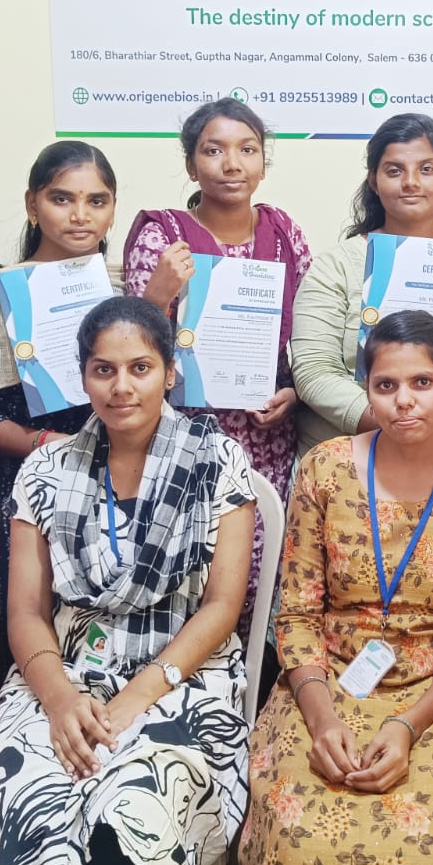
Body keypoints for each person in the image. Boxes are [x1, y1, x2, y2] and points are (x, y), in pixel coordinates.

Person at [0, 297, 255, 865]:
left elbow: (221, 606)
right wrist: (60, 701)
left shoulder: (217, 461)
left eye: (140, 368)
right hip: (62, 675)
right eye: (104, 370)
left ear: (170, 371)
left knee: (133, 813)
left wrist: (136, 698)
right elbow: (26, 612)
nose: (121, 386)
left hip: (183, 678)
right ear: (83, 376)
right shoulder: (47, 468)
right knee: (28, 801)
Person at [240, 310, 433, 865]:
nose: (404, 401)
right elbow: (296, 615)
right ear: (367, 388)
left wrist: (407, 726)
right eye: (386, 385)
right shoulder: (324, 469)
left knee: (420, 858)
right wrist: (322, 720)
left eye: (422, 383)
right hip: (325, 683)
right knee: (294, 840)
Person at [123, 98, 309, 636]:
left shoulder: (284, 233)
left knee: (258, 574)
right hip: (181, 436)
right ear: (191, 165)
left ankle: (243, 677)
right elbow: (129, 348)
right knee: (187, 575)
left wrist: (295, 391)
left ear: (263, 164)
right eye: (214, 151)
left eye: (247, 150)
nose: (232, 164)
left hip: (266, 434)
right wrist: (158, 295)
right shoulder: (162, 238)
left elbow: (309, 334)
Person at [0, 140, 120, 684]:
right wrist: (48, 446)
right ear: (32, 205)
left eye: (97, 201)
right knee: (29, 631)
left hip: (117, 481)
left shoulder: (124, 288)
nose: (80, 215)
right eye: (61, 199)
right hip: (25, 483)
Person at [292, 112, 433, 454]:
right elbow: (313, 372)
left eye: (426, 169)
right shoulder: (336, 266)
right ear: (373, 181)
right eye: (394, 171)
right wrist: (417, 425)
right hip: (346, 461)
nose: (411, 182)